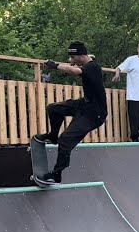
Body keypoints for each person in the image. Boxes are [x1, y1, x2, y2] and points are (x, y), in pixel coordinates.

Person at [34, 41, 107, 185]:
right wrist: (72, 61)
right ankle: (52, 136)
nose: (72, 61)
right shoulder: (86, 64)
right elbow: (76, 65)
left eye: (73, 58)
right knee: (53, 108)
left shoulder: (93, 67)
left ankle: (56, 174)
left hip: (94, 114)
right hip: (84, 105)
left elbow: (74, 71)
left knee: (66, 139)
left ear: (81, 55)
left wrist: (54, 65)